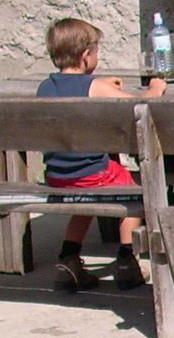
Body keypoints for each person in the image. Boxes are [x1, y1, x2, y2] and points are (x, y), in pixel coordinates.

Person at [37, 18, 165, 292]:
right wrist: (156, 87)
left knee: (86, 203)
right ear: (85, 55)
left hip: (59, 176)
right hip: (92, 173)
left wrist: (99, 82)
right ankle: (127, 259)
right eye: (95, 51)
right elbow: (139, 103)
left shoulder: (44, 88)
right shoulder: (94, 88)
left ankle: (67, 261)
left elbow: (75, 86)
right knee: (134, 191)